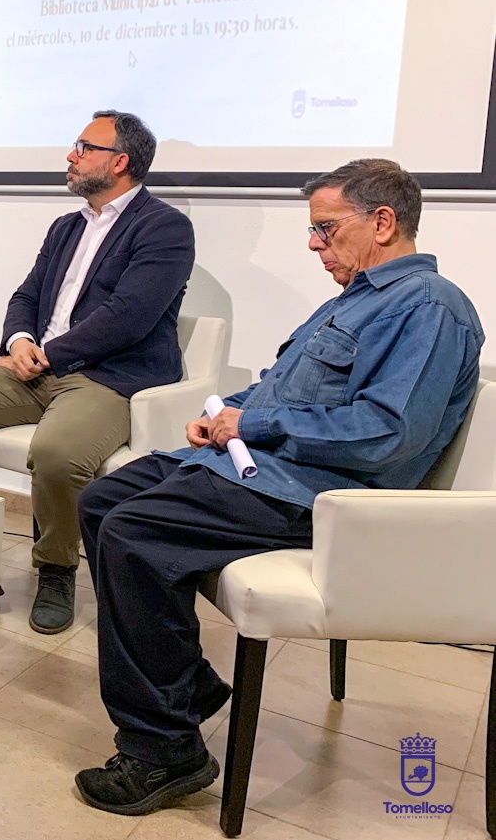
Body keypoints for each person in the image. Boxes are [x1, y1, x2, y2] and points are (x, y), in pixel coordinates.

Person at [73, 159, 483, 816]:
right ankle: (184, 686)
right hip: (262, 465)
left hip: (322, 494)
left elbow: (386, 434)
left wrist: (254, 421)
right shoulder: (352, 300)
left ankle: (164, 750)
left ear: (383, 222)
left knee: (131, 533)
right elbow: (279, 390)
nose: (314, 243)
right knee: (100, 499)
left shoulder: (432, 307)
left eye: (325, 228)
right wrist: (226, 413)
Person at [0, 110, 195, 633]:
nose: (70, 156)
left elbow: (128, 316)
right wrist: (18, 341)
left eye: (84, 147)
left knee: (57, 453)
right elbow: (27, 295)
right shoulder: (66, 227)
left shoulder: (165, 228)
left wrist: (47, 354)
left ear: (120, 161)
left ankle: (56, 568)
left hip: (108, 376)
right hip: (35, 365)